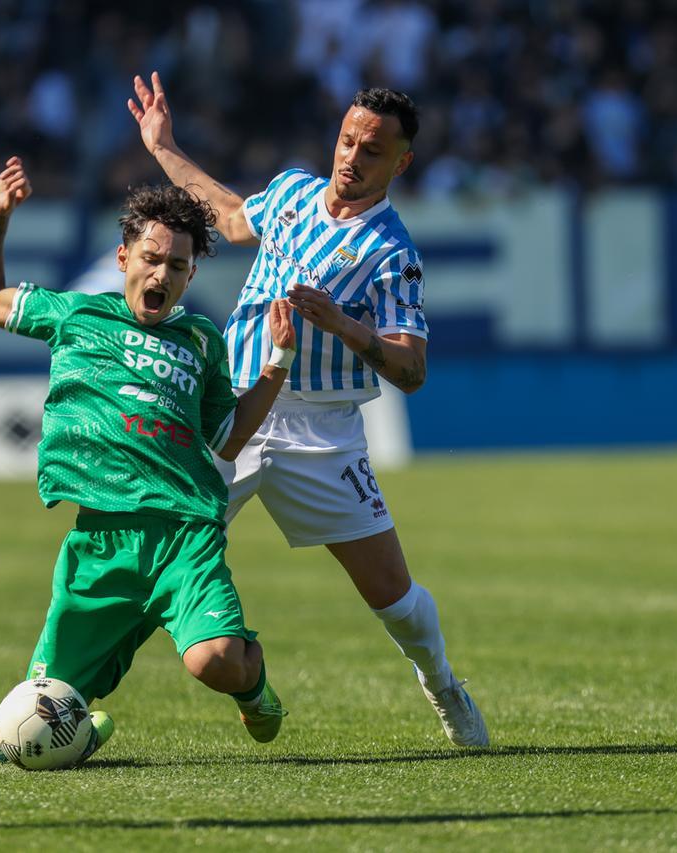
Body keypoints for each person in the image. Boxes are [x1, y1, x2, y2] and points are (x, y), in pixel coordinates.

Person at [126, 72, 488, 747]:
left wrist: (344, 326)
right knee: (141, 565)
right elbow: (231, 217)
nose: (352, 157)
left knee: (394, 598)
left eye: (372, 150)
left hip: (321, 427)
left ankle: (442, 684)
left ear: (400, 163)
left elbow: (412, 370)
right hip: (232, 404)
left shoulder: (392, 254)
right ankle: (53, 701)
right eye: (348, 140)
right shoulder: (293, 191)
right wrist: (164, 148)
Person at [0, 158, 297, 768]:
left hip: (184, 533)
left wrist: (277, 366)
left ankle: (254, 683)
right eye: (152, 258)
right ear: (123, 259)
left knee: (215, 660)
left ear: (190, 276)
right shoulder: (77, 315)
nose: (162, 273)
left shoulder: (201, 340)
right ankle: (44, 732)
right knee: (50, 699)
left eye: (178, 266)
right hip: (102, 538)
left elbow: (228, 436)